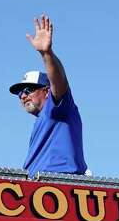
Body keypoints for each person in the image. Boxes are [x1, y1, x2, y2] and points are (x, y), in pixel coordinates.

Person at [9, 15, 85, 176]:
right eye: (20, 94)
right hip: (37, 188)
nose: (23, 96)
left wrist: (46, 54)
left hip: (59, 183)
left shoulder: (57, 108)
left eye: (28, 90)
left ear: (47, 91)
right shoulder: (42, 121)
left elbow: (59, 82)